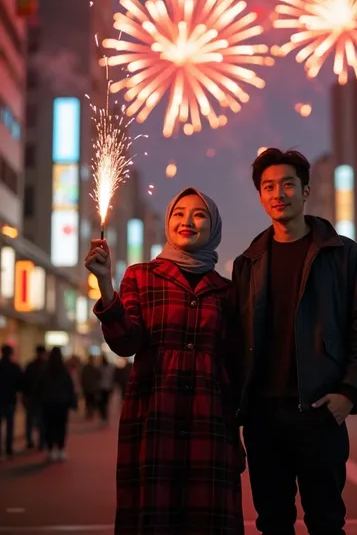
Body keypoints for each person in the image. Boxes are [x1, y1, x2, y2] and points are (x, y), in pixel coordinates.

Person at [231, 148, 357, 535]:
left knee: (327, 521)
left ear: (305, 190)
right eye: (268, 187)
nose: (278, 193)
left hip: (320, 410)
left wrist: (349, 392)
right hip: (264, 417)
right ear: (261, 197)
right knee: (273, 523)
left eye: (287, 184)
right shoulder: (248, 261)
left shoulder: (341, 253)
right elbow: (236, 336)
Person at [86, 187, 244, 535]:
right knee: (154, 519)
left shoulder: (228, 290)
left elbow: (236, 363)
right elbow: (126, 342)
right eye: (178, 213)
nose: (187, 220)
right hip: (155, 416)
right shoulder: (142, 276)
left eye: (199, 214)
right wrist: (104, 283)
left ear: (214, 226)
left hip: (211, 422)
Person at [36, 346, 77, 462]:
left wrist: (38, 400)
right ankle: (60, 449)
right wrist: (72, 402)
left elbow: (39, 387)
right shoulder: (64, 371)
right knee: (61, 426)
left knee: (48, 427)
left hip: (48, 403)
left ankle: (50, 450)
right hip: (62, 403)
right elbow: (70, 388)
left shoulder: (45, 370)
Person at [0, 344, 23, 458]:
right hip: (10, 399)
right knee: (10, 425)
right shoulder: (14, 367)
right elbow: (20, 384)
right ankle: (8, 447)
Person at [23, 345, 47, 450]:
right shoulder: (46, 366)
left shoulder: (30, 365)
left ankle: (30, 441)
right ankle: (41, 442)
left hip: (31, 397)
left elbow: (24, 381)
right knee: (41, 420)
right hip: (42, 397)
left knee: (30, 420)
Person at [80, 355, 100, 420]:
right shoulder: (94, 367)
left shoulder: (85, 367)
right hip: (93, 387)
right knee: (92, 400)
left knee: (88, 400)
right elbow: (98, 376)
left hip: (87, 387)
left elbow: (82, 377)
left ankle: (89, 413)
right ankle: (91, 413)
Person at [97, 354, 115, 424]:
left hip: (103, 387)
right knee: (104, 403)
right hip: (105, 387)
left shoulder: (100, 367)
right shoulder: (109, 368)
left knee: (103, 403)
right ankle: (104, 417)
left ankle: (104, 417)